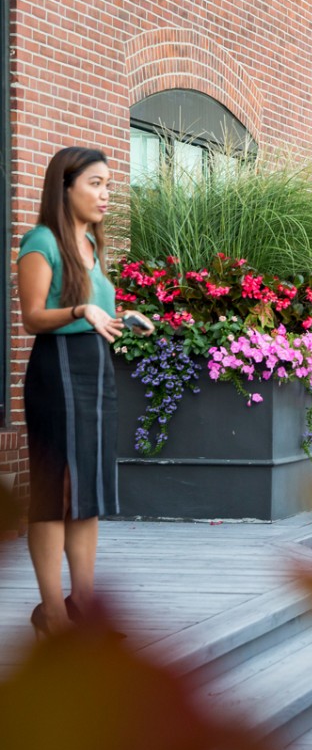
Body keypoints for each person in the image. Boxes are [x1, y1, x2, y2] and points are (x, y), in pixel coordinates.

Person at [17, 147, 153, 637]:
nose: (105, 195)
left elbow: (95, 316)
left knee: (88, 491)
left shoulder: (93, 247)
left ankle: (84, 604)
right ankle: (51, 613)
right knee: (57, 491)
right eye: (95, 183)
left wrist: (122, 320)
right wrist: (80, 313)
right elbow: (33, 316)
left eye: (109, 185)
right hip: (57, 374)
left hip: (97, 375)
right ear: (66, 186)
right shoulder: (41, 242)